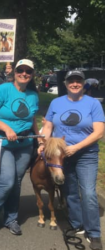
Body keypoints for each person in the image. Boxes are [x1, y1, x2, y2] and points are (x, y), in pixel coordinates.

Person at [39, 70, 104, 250]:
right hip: (61, 155)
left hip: (86, 155)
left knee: (89, 193)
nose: (75, 84)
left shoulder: (93, 104)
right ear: (66, 84)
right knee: (70, 191)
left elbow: (99, 132)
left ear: (83, 84)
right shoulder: (56, 102)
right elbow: (48, 126)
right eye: (71, 81)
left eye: (78, 81)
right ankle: (77, 223)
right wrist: (42, 142)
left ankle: (94, 233)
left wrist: (76, 147)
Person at [0, 59, 39, 237]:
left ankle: (11, 218)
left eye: (28, 71)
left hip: (24, 145)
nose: (24, 73)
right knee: (6, 181)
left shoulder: (33, 95)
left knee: (17, 182)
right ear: (14, 72)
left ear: (32, 74)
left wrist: (40, 140)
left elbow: (33, 119)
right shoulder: (2, 89)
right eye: (20, 70)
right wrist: (6, 128)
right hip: (2, 143)